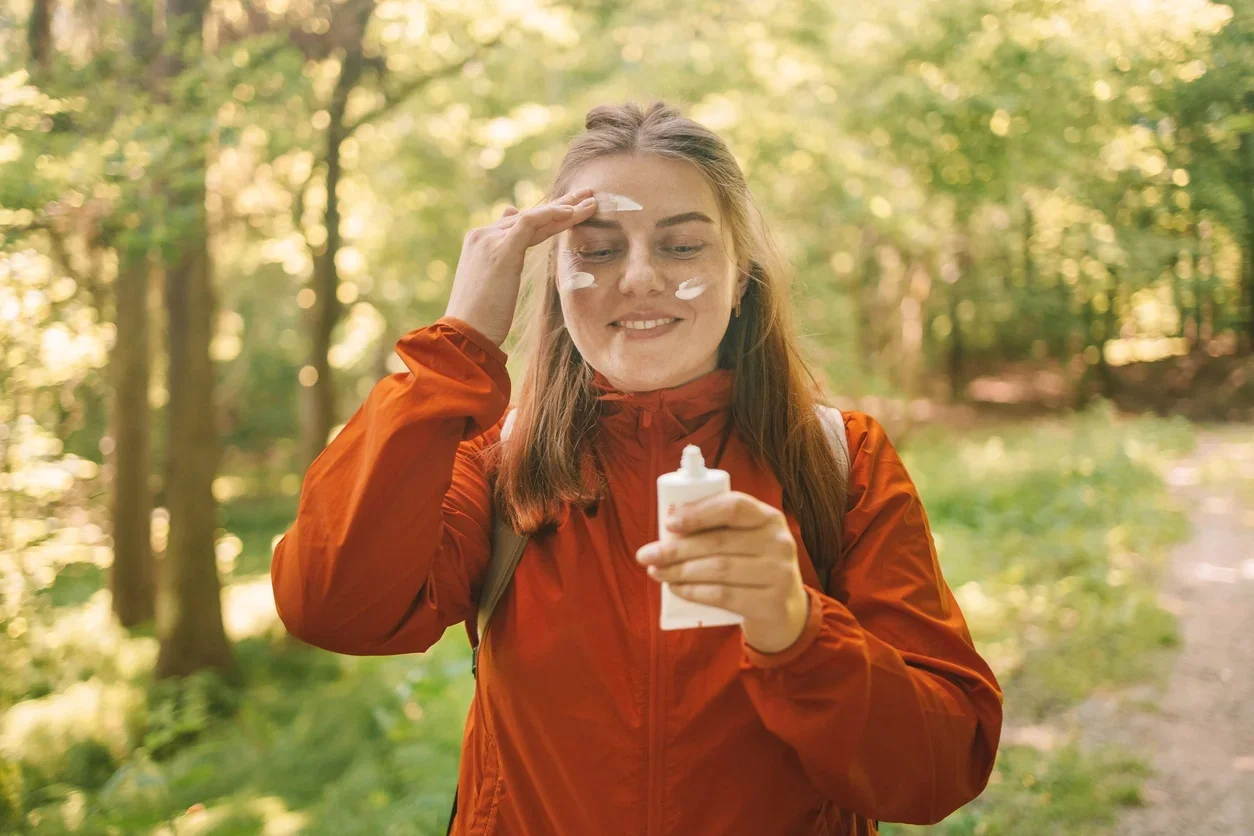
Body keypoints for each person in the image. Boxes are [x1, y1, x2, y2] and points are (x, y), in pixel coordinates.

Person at [271, 100, 1003, 835]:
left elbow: (940, 767)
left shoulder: (843, 461)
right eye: (596, 251)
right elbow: (331, 607)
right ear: (554, 277)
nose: (641, 278)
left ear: (741, 275)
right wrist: (456, 348)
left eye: (682, 247)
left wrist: (798, 634)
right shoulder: (496, 462)